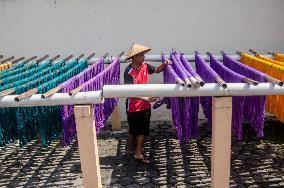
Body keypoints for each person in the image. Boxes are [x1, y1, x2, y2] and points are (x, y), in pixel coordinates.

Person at [124, 43, 171, 164]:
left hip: (145, 106)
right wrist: (146, 98)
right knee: (133, 130)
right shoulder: (128, 72)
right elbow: (129, 92)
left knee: (143, 130)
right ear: (134, 57)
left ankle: (138, 153)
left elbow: (156, 70)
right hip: (133, 107)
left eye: (144, 55)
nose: (143, 57)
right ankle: (130, 148)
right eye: (141, 55)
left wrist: (165, 64)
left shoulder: (145, 66)